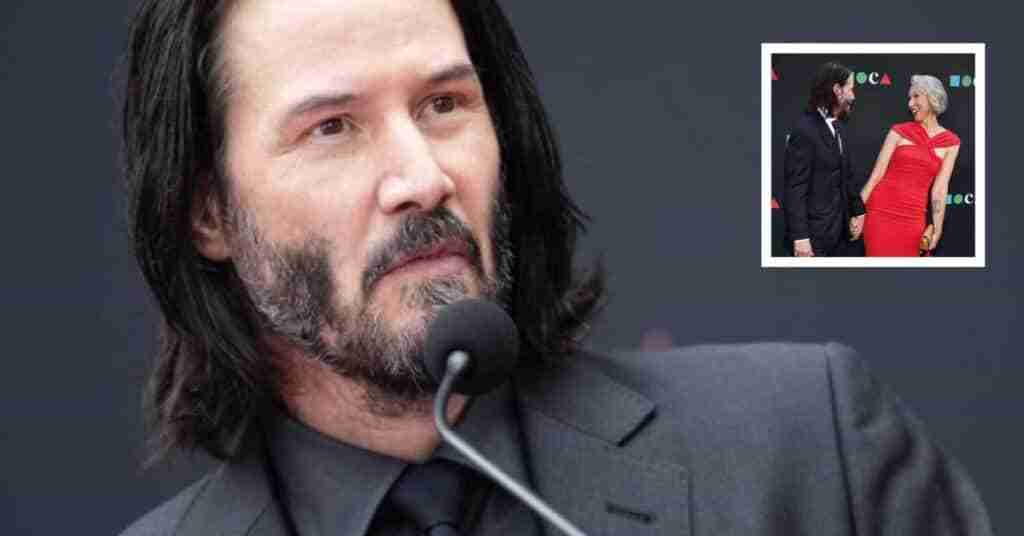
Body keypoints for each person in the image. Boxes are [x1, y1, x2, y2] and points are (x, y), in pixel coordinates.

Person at [118, 1, 991, 534]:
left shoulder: (809, 449)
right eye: (332, 128)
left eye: (444, 104)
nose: (423, 176)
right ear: (208, 211)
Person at [861, 75, 961, 256]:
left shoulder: (951, 142)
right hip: (880, 214)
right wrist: (858, 212)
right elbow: (876, 175)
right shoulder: (899, 131)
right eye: (909, 98)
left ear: (932, 97)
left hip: (914, 220)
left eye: (916, 96)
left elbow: (939, 189)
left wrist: (937, 228)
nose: (910, 103)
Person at [783, 61, 867, 257]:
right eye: (850, 89)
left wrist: (858, 211)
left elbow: (847, 176)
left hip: (839, 235)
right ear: (837, 90)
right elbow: (795, 188)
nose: (853, 96)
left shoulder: (839, 127)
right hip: (813, 240)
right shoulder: (805, 130)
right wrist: (800, 237)